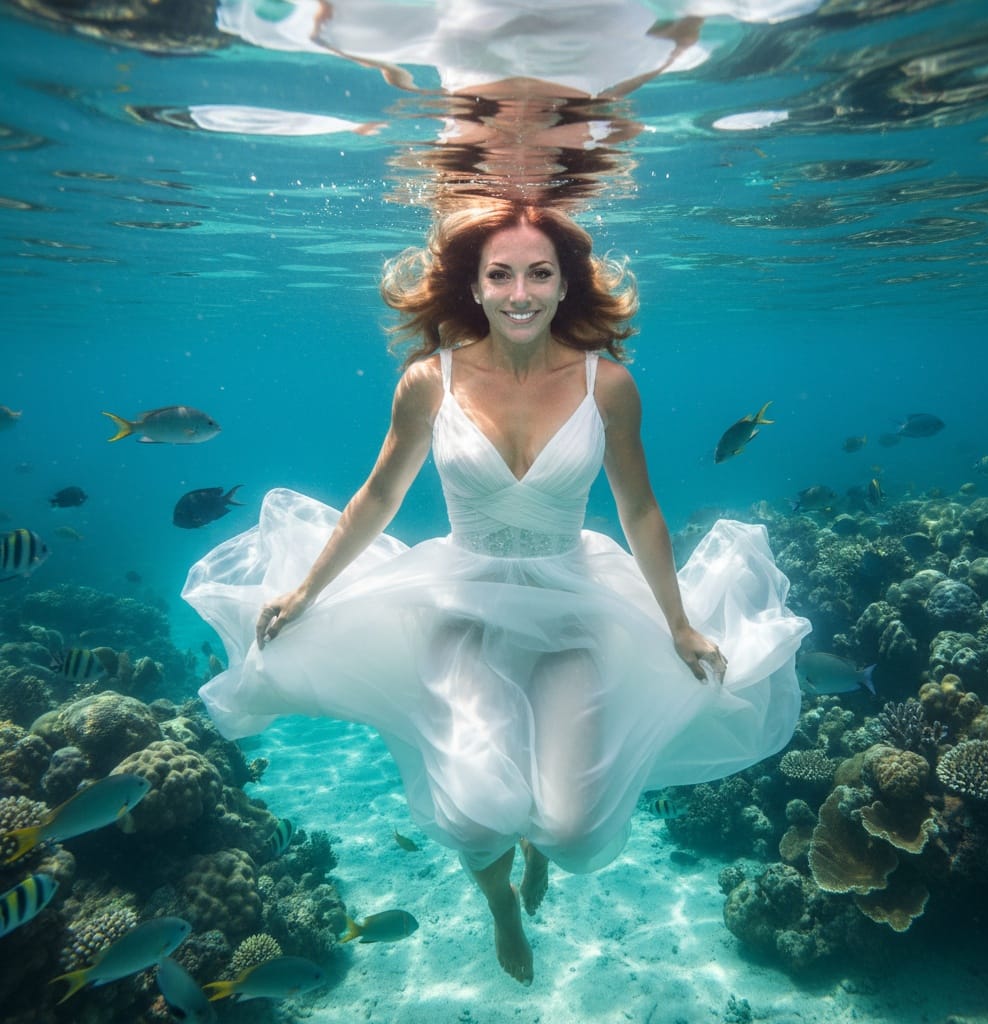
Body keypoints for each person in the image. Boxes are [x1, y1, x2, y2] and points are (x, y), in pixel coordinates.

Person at [182, 199, 810, 984]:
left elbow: (640, 509)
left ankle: (541, 854)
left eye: (539, 273)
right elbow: (377, 497)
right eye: (501, 274)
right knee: (476, 811)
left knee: (577, 835)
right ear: (473, 288)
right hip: (463, 603)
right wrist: (307, 589)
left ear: (564, 285)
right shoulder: (427, 382)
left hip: (573, 605)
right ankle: (501, 902)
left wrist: (678, 624)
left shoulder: (606, 384)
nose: (521, 292)